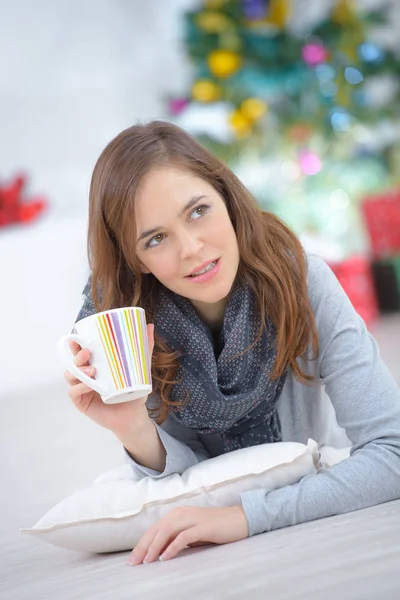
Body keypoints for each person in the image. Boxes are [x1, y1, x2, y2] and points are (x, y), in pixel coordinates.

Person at [64, 120, 400, 566]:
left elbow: (391, 453)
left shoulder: (302, 281)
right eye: (156, 238)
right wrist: (132, 426)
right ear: (135, 258)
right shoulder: (131, 331)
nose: (191, 248)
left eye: (198, 210)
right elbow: (192, 482)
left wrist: (245, 518)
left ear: (227, 198)